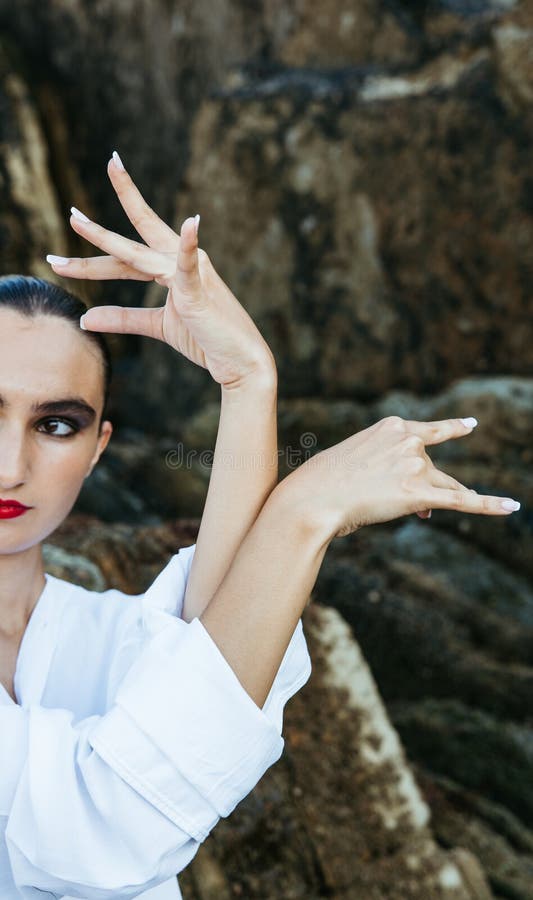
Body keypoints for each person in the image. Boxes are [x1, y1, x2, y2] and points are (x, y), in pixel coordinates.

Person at [0, 152, 520, 900]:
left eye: (55, 424)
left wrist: (249, 382)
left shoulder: (103, 634)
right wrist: (303, 510)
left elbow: (219, 652)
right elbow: (106, 823)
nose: (11, 464)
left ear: (96, 451)